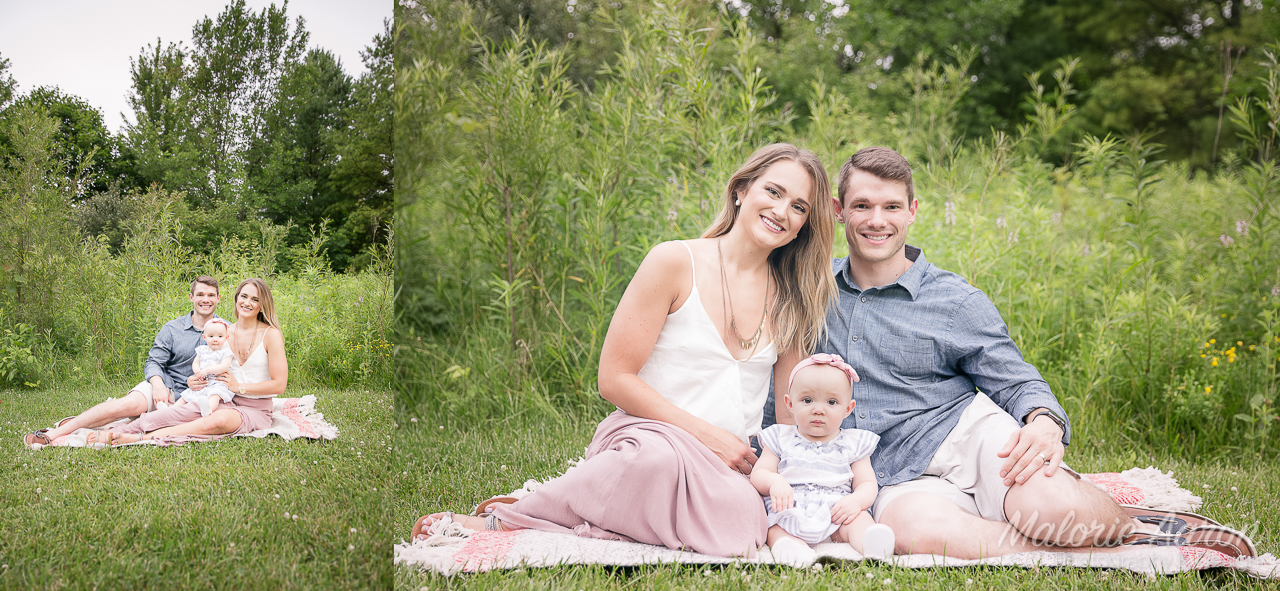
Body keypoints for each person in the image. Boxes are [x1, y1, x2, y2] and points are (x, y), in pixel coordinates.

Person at [767, 146, 1256, 558]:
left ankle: (1127, 522)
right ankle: (1041, 546)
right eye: (862, 206)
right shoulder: (812, 288)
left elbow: (1015, 378)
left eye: (892, 207)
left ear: (913, 211)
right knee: (913, 535)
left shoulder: (954, 300)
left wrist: (1044, 420)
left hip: (961, 434)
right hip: (889, 471)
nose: (878, 221)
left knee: (1064, 513)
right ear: (837, 210)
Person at [411, 143, 839, 557]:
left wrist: (780, 471)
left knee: (744, 530)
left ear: (804, 224)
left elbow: (789, 413)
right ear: (741, 189)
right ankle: (511, 517)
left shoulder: (790, 298)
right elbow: (614, 379)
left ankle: (595, 512)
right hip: (648, 436)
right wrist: (707, 436)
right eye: (773, 191)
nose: (782, 211)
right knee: (652, 466)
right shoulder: (673, 261)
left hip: (725, 463)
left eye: (799, 207)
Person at [24, 277, 223, 447]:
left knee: (151, 424)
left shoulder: (228, 330)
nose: (206, 300)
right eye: (200, 294)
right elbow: (153, 362)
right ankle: (53, 434)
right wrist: (158, 384)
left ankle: (93, 426)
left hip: (199, 397)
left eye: (211, 295)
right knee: (129, 405)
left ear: (218, 299)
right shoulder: (172, 328)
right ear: (191, 297)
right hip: (167, 386)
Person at [92, 278, 289, 444]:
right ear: (236, 298)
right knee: (181, 412)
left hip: (254, 408)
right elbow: (205, 362)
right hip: (223, 398)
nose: (247, 302)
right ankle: (122, 428)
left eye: (255, 299)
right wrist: (192, 380)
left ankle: (139, 438)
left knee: (214, 421)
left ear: (262, 304)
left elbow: (279, 385)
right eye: (244, 296)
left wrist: (239, 387)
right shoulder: (225, 331)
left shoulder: (271, 334)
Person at [752, 353, 895, 565]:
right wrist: (775, 482)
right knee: (774, 526)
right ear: (789, 403)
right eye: (807, 400)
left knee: (858, 520)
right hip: (790, 505)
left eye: (831, 402)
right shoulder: (780, 437)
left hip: (837, 510)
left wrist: (856, 501)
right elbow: (759, 473)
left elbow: (866, 483)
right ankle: (789, 547)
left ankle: (870, 541)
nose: (818, 409)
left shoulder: (854, 443)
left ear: (848, 409)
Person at [170, 318, 236, 417]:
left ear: (226, 337)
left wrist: (207, 370)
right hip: (203, 381)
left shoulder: (226, 352)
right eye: (211, 336)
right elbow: (196, 362)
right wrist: (197, 370)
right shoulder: (202, 350)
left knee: (215, 395)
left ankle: (208, 409)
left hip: (218, 382)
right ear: (204, 337)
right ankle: (171, 409)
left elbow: (224, 366)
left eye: (220, 336)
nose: (215, 339)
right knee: (186, 395)